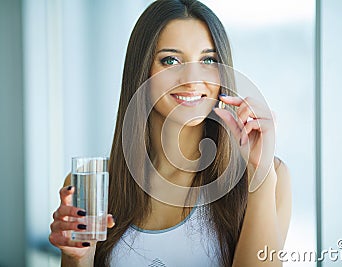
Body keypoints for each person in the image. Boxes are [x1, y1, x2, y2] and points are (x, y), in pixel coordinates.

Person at [49, 0, 292, 266]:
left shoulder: (269, 177)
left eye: (208, 60)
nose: (192, 79)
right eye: (171, 60)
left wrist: (260, 178)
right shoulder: (90, 185)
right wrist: (77, 257)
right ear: (142, 72)